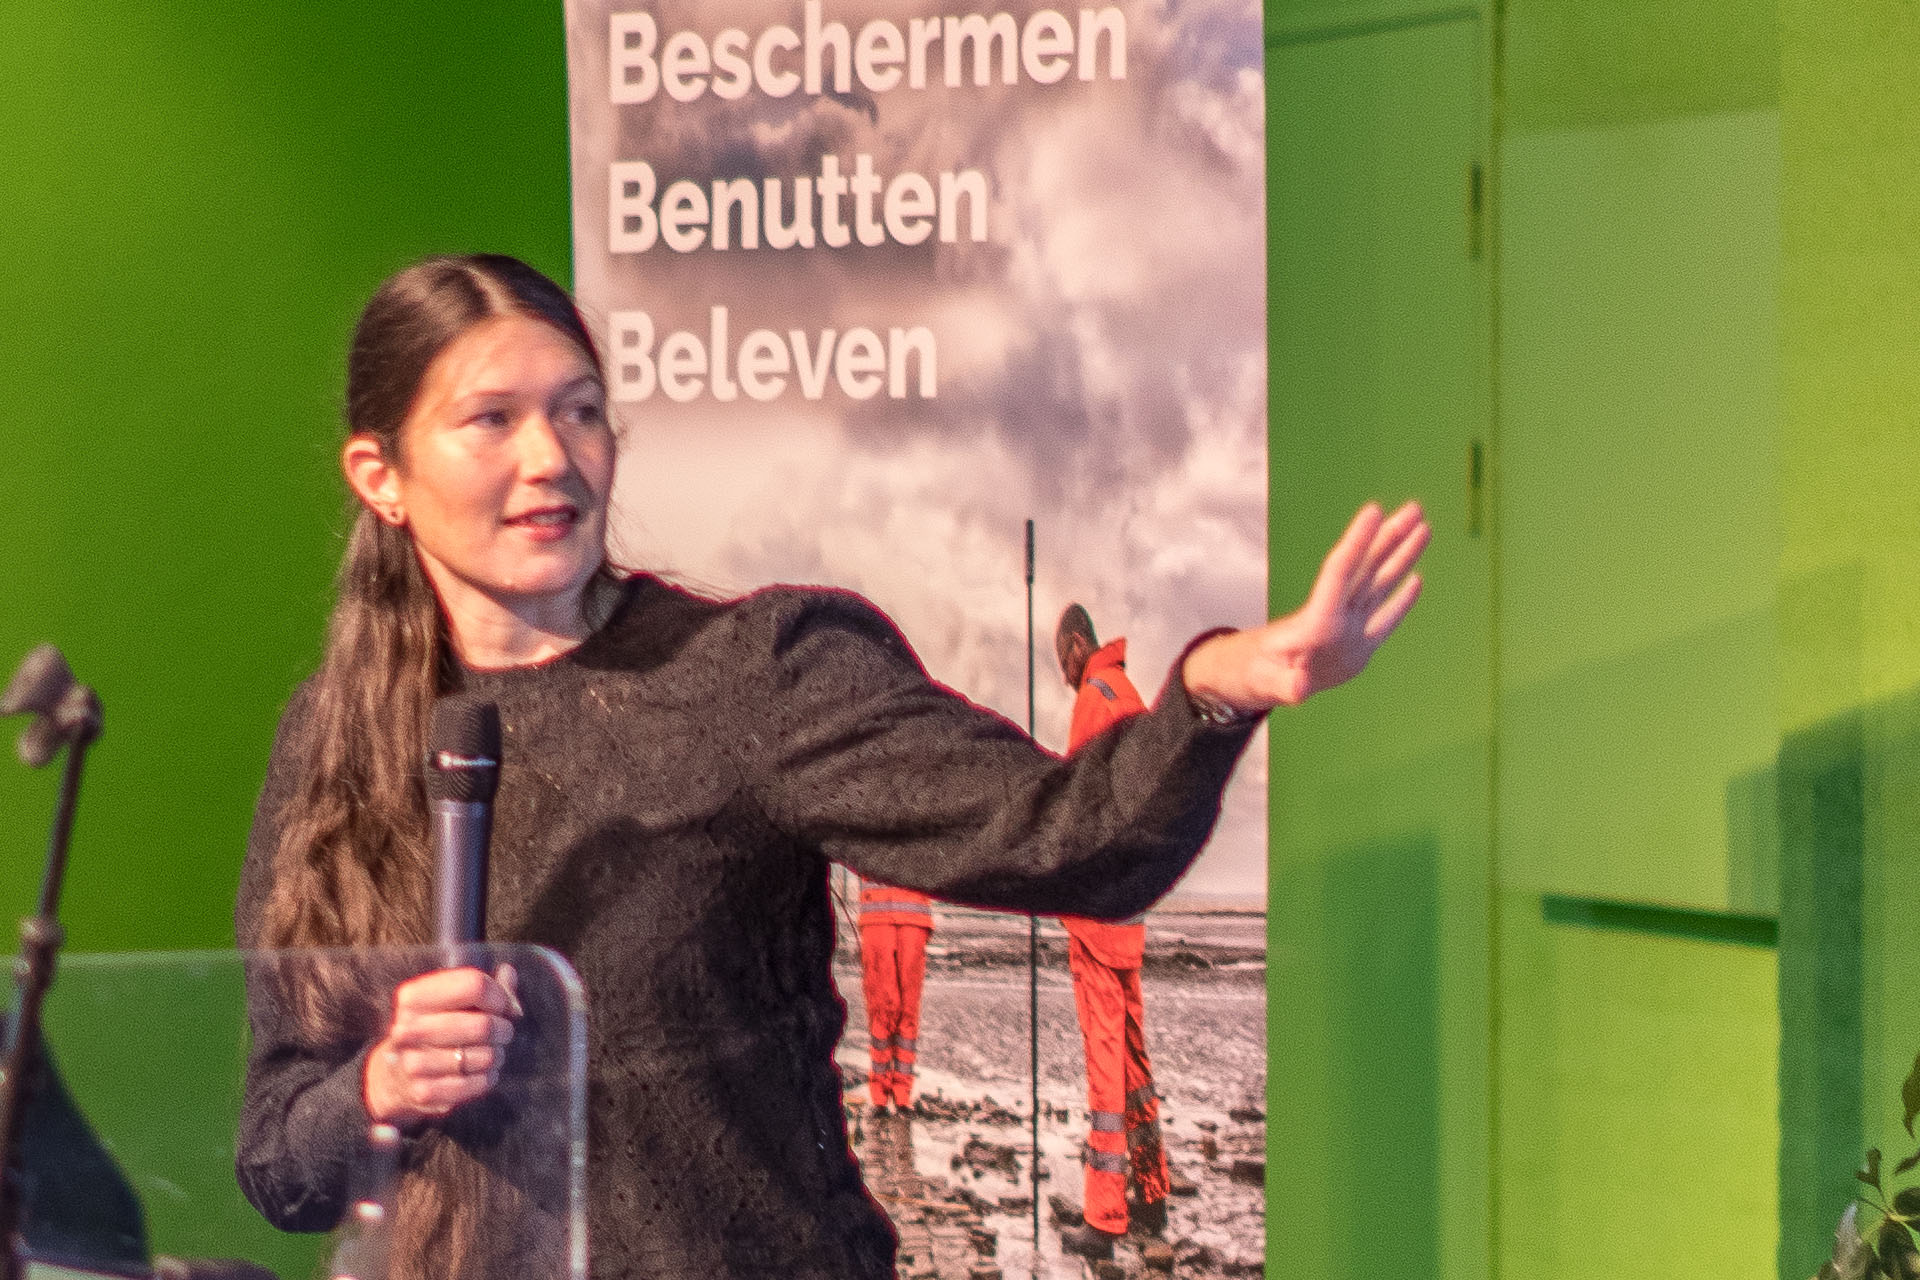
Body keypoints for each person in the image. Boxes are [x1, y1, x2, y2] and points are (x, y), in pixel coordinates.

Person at [231, 254, 1430, 1280]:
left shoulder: (754, 670)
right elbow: (282, 1158)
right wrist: (382, 1082)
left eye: (581, 409)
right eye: (492, 418)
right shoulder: (336, 738)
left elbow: (1076, 838)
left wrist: (1213, 689)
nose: (553, 455)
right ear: (379, 475)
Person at [1050, 605, 1169, 1259]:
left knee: (1105, 1072)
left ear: (1076, 644)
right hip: (1130, 912)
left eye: (1058, 658)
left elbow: (1081, 808)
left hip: (1097, 916)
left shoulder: (1094, 701)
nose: (1061, 672)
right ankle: (1151, 1200)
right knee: (1133, 1064)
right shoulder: (1131, 696)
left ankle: (1105, 1220)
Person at [856, 879, 935, 1112]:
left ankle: (901, 1094)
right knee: (881, 1009)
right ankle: (881, 1094)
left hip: (910, 918)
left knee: (907, 1010)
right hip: (879, 918)